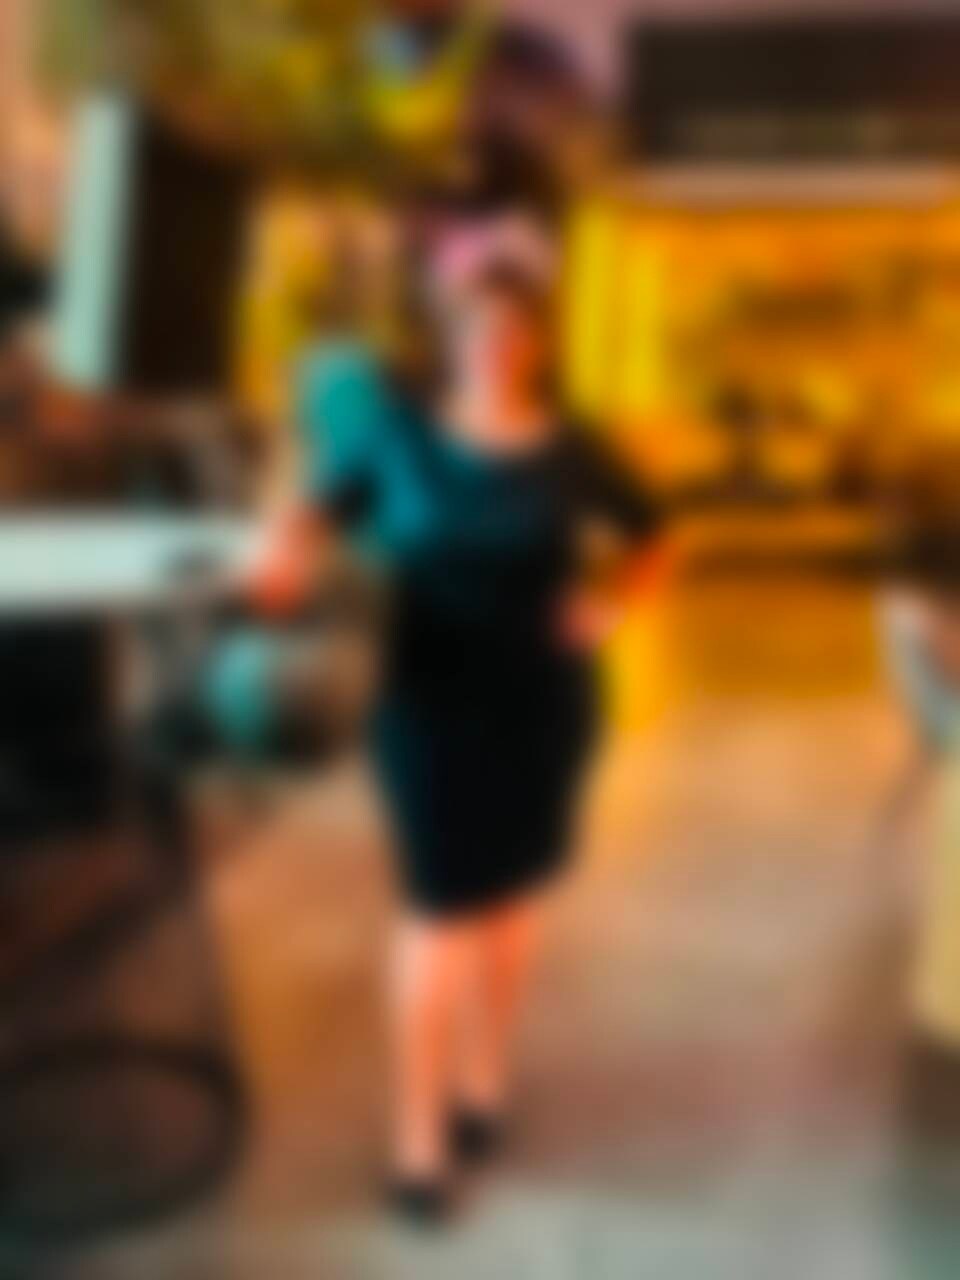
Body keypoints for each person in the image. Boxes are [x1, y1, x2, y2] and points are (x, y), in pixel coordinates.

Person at [251, 259, 667, 1223]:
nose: (494, 343)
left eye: (514, 327)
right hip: (428, 703)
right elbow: (314, 511)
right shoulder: (395, 434)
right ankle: (418, 1138)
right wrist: (284, 553)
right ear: (451, 336)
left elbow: (657, 534)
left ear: (539, 343)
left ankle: (486, 1077)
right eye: (477, 325)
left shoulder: (573, 444)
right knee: (439, 909)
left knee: (512, 897)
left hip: (545, 702)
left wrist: (611, 601)